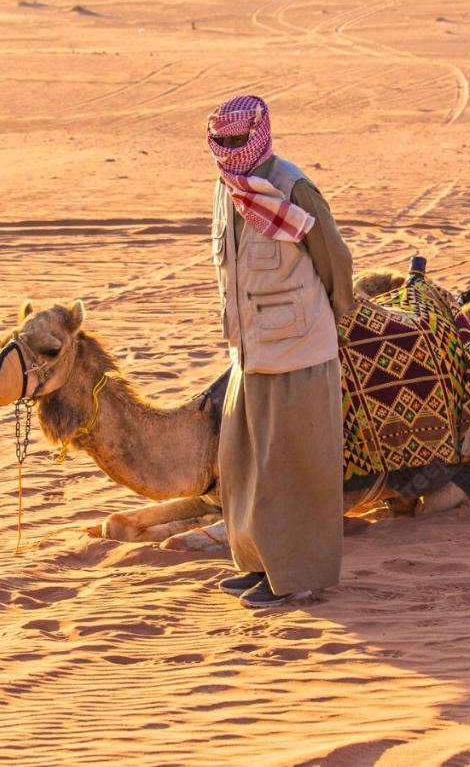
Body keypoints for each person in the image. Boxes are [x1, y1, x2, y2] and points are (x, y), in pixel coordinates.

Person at [206, 94, 354, 609]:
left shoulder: (291, 187)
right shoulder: (226, 190)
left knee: (293, 466)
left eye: (236, 139)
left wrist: (332, 326)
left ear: (260, 134)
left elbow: (333, 258)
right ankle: (259, 565)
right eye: (219, 140)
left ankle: (297, 578)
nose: (227, 149)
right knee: (244, 464)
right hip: (249, 354)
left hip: (298, 350)